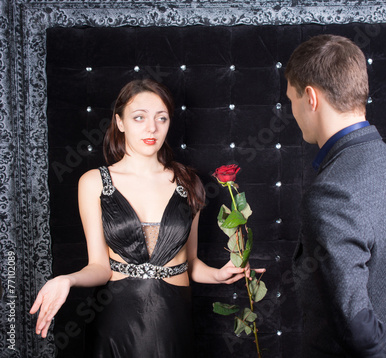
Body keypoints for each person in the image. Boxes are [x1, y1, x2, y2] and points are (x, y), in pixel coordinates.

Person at [30, 79, 260, 357]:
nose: (152, 128)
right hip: (116, 319)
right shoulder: (93, 182)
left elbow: (191, 263)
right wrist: (67, 280)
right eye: (139, 117)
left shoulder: (189, 183)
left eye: (161, 118)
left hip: (172, 320)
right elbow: (100, 267)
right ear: (120, 122)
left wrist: (219, 274)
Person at [285, 35, 386, 357]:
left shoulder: (331, 195)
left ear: (311, 98)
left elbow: (356, 327)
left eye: (291, 99)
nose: (292, 111)